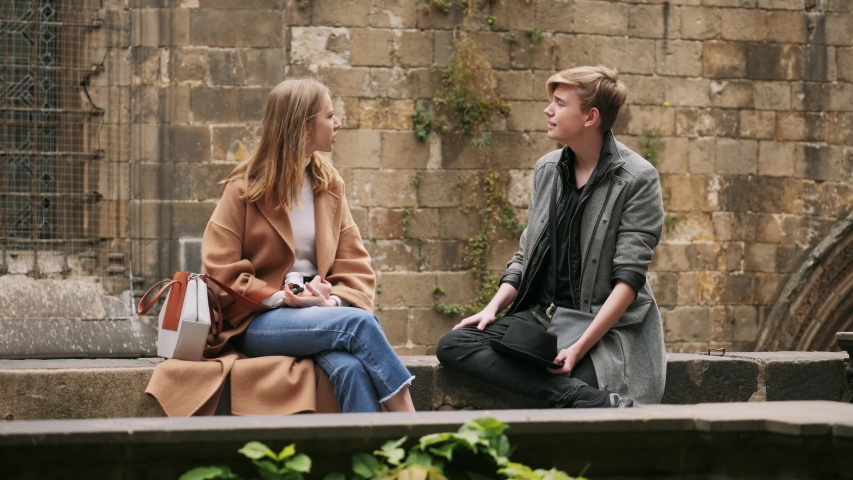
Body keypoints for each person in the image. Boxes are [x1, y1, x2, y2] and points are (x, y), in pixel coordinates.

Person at [146, 78, 415, 415]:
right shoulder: (242, 188)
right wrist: (285, 297)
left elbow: (355, 265)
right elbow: (221, 268)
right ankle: (410, 424)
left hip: (322, 316)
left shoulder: (330, 186)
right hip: (256, 322)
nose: (338, 124)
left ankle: (372, 461)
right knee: (360, 324)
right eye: (329, 116)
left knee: (351, 369)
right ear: (304, 127)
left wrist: (327, 300)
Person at [436, 65, 667, 408]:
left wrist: (578, 348)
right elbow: (526, 254)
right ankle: (593, 402)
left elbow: (628, 282)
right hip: (544, 319)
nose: (548, 110)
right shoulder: (548, 170)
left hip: (602, 328)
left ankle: (581, 393)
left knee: (570, 374)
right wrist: (491, 309)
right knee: (452, 345)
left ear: (590, 117)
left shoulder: (636, 178)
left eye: (559, 103)